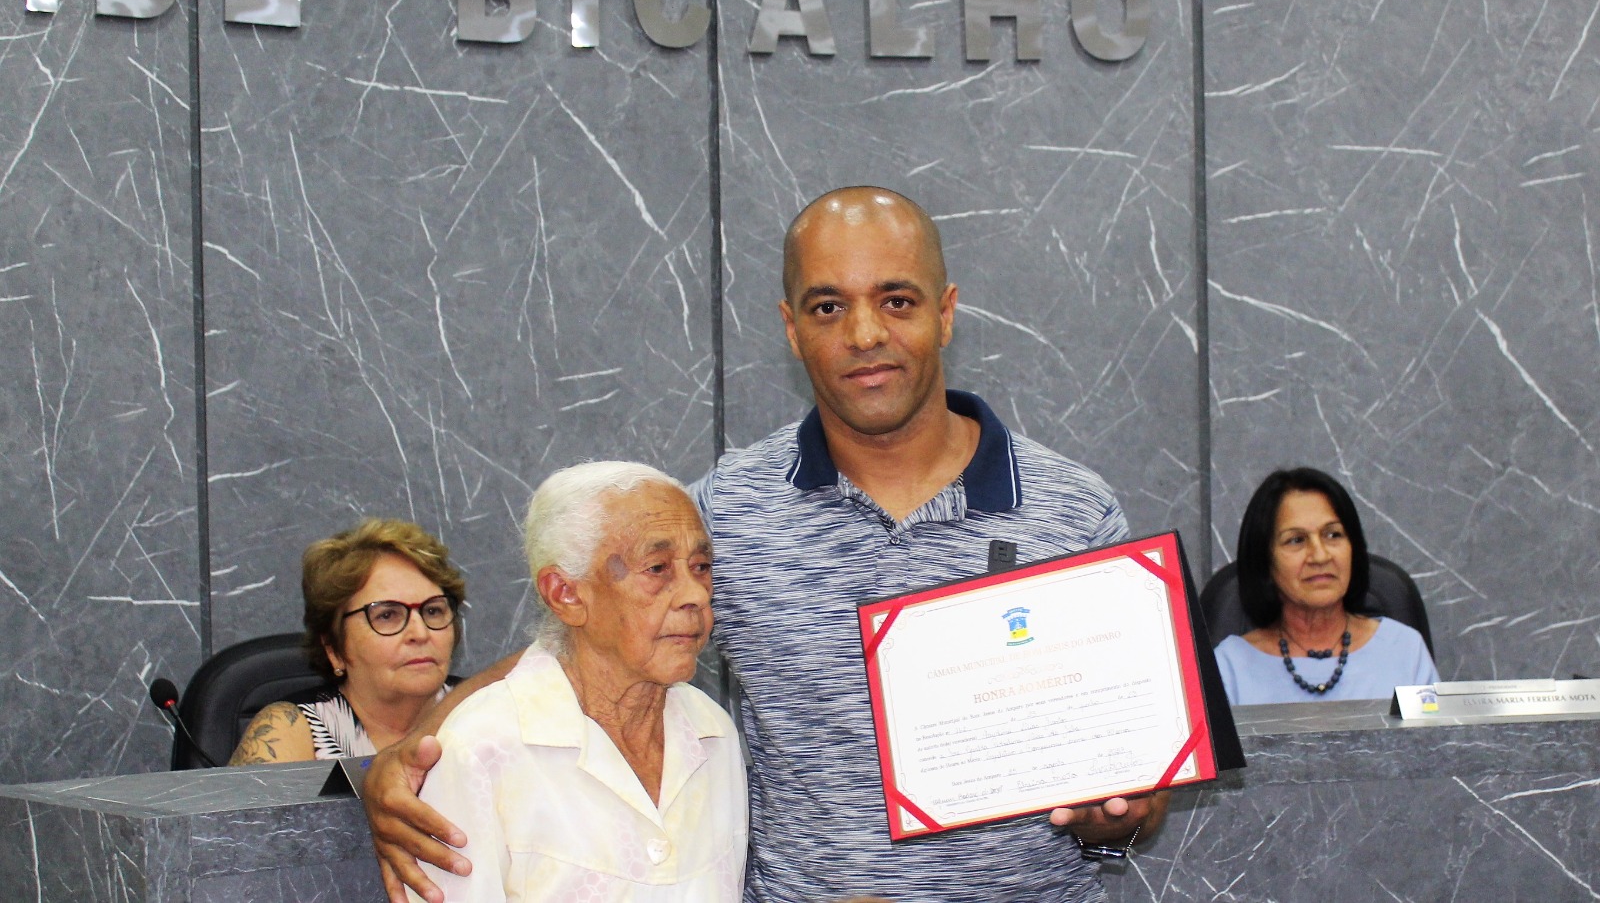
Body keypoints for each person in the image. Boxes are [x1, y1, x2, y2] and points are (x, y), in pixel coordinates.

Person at [366, 186, 1211, 902]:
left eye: (897, 300)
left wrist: (1125, 816)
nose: (865, 334)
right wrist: (414, 748)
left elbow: (1134, 786)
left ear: (947, 314)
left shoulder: (1070, 512)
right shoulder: (726, 513)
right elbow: (588, 641)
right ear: (790, 327)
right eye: (828, 306)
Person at [408, 462, 746, 902]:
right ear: (565, 594)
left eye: (701, 566)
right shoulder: (482, 748)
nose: (696, 594)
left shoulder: (711, 731)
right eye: (658, 568)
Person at [230, 518, 464, 763]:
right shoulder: (291, 730)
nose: (421, 633)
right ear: (334, 649)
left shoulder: (491, 710)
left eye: (433, 611)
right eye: (387, 615)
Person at [1213, 467, 1439, 705]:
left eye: (1333, 535)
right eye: (1296, 540)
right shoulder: (1230, 667)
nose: (1320, 556)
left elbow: (1437, 742)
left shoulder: (1405, 650)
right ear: (1265, 561)